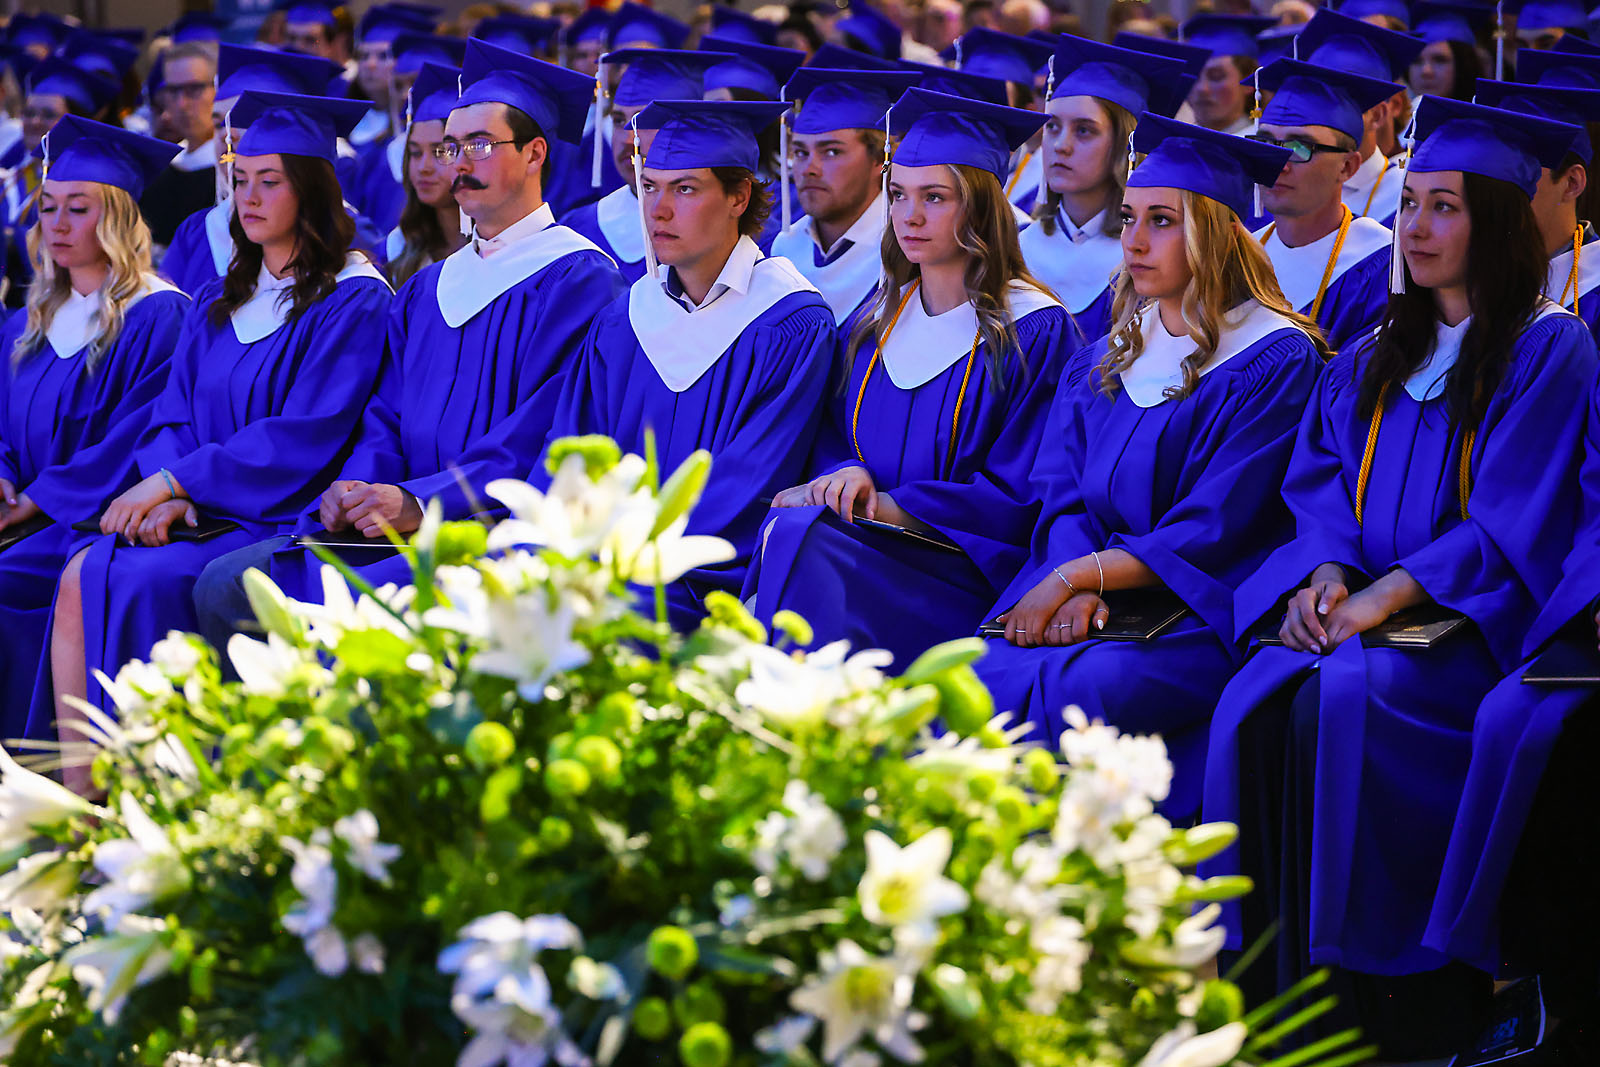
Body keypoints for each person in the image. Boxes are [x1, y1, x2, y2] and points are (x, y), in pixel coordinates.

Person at [1202, 97, 1597, 1058]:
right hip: (1362, 610)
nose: (1415, 228)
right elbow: (1322, 482)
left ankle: (1389, 1002)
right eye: (1410, 203)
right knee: (1254, 703)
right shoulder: (1382, 349)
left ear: (1497, 222)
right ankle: (1272, 993)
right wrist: (1327, 573)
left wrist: (1384, 596)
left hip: (1470, 621)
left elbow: (1514, 513)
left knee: (1336, 701)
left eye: (1445, 207)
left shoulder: (1549, 346)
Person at [192, 41, 624, 643]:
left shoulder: (580, 278)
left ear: (535, 154)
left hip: (486, 534)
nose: (458, 164)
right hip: (394, 521)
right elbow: (385, 414)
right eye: (452, 146)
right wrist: (360, 488)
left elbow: (543, 434)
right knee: (227, 581)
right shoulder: (428, 287)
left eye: (479, 145)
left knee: (327, 607)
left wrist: (420, 501)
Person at [39, 90, 392, 793]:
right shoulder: (219, 297)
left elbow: (305, 432)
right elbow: (172, 415)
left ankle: (166, 797)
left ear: (313, 188)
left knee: (131, 578)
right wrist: (169, 492)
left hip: (269, 514)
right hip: (198, 511)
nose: (247, 196)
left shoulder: (354, 297)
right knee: (87, 566)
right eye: (240, 177)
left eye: (271, 181)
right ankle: (81, 804)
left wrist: (178, 486)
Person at [978, 114, 1321, 818]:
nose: (1133, 240)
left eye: (1161, 220)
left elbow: (1215, 528)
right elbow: (1064, 497)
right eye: (1129, 216)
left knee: (1083, 687)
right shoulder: (1109, 352)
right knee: (983, 674)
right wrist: (1069, 585)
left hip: (1201, 610)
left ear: (1217, 230)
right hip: (1093, 593)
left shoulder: (1274, 359)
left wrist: (1081, 577)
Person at [747, 88, 1071, 670]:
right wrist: (842, 473)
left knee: (809, 541)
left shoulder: (1034, 331)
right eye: (898, 195)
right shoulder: (877, 323)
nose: (910, 216)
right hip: (863, 540)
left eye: (935, 197)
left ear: (980, 208)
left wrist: (893, 508)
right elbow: (829, 440)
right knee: (794, 528)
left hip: (956, 570)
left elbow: (1027, 490)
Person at [539, 99, 835, 629]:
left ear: (739, 197)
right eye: (650, 186)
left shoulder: (790, 321)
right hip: (604, 563)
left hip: (705, 581)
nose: (658, 209)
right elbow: (573, 452)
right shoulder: (625, 318)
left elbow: (752, 480)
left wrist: (630, 556)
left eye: (686, 189)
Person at [0, 118, 187, 729]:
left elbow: (137, 435)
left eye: (77, 209)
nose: (55, 224)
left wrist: (35, 502)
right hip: (22, 514)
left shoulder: (156, 315)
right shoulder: (29, 319)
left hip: (84, 521)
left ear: (115, 218)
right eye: (47, 208)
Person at [1019, 35, 1193, 350]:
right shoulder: (1014, 247)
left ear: (1126, 145)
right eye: (1052, 126)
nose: (1061, 145)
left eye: (1084, 130)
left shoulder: (1147, 262)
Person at [159, 45, 345, 294]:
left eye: (245, 119)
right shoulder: (197, 232)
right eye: (218, 124)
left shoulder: (345, 237)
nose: (228, 136)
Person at [1250, 59, 1397, 355]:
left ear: (1347, 167)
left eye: (1300, 148)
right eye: (1266, 144)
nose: (1278, 164)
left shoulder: (1381, 268)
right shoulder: (1237, 257)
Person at [563, 49, 732, 284]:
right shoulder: (577, 229)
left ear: (688, 127)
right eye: (619, 121)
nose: (627, 139)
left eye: (645, 120)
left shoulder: (731, 231)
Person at [769, 66, 919, 326]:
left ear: (879, 160)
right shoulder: (781, 249)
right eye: (801, 152)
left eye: (831, 152)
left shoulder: (908, 256)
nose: (809, 169)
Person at [1475, 78, 1600, 342]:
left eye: (1519, 171)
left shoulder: (1594, 287)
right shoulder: (1465, 274)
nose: (1497, 189)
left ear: (1571, 183)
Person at [1293, 9, 1423, 225]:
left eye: (1336, 101)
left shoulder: (1408, 193)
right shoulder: (1287, 185)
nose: (1319, 114)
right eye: (1314, 99)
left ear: (1380, 114)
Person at [942, 27, 1055, 210]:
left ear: (1027, 113)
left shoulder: (1041, 186)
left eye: (993, 102)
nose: (977, 115)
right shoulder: (936, 168)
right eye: (968, 100)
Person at [383, 61, 465, 285]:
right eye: (415, 153)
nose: (423, 167)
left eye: (440, 152)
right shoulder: (400, 245)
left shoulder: (498, 246)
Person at [140, 43, 219, 252]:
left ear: (219, 90)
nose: (181, 103)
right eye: (173, 91)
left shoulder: (234, 172)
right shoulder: (162, 171)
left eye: (194, 89)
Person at [1178, 14, 1275, 135]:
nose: (1202, 88)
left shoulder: (1263, 146)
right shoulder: (1174, 145)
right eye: (1193, 76)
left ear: (1249, 81)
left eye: (1216, 77)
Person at [1407, 1, 1488, 100]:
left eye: (1440, 60)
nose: (1426, 71)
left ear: (1464, 65)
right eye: (1417, 61)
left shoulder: (1484, 115)